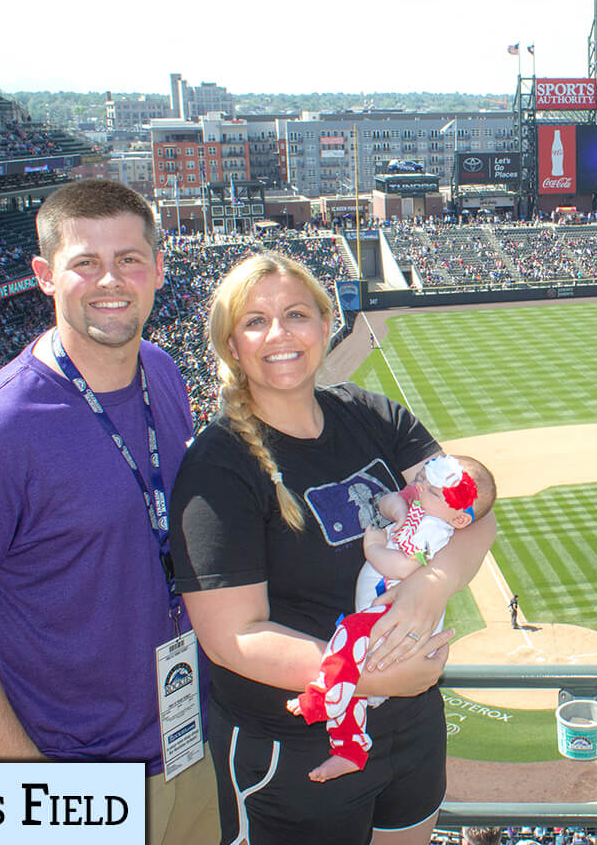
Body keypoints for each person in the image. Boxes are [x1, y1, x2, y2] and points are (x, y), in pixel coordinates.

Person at [0, 179, 218, 845]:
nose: (112, 280)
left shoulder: (160, 371)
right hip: (68, 782)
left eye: (130, 259)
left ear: (159, 267)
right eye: (85, 263)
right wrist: (37, 792)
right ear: (45, 276)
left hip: (183, 748)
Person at [169, 252, 497, 845]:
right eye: (255, 321)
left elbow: (475, 512)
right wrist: (366, 681)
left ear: (326, 323)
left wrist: (429, 588)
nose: (279, 334)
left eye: (296, 314)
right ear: (231, 344)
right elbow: (232, 638)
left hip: (411, 725)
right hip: (296, 746)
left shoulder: (371, 413)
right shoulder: (218, 464)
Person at [289, 454, 496, 781]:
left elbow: (400, 567)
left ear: (458, 519)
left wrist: (372, 549)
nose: (421, 486)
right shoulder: (427, 508)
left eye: (432, 490)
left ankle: (323, 697)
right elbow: (390, 501)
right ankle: (350, 749)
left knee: (348, 634)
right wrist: (399, 508)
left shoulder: (435, 529)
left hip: (393, 620)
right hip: (381, 611)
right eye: (425, 480)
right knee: (352, 676)